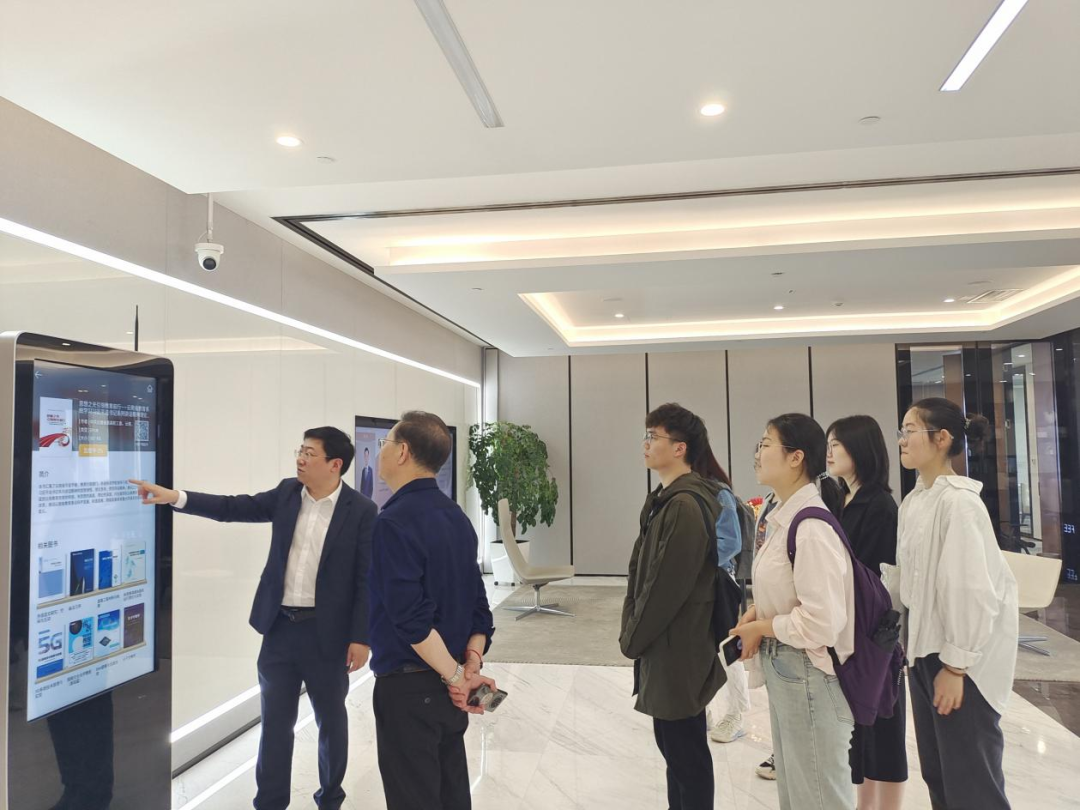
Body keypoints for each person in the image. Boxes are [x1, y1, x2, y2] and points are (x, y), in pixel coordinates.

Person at [130, 426, 375, 810]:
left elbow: (366, 578)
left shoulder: (361, 510)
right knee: (275, 724)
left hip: (327, 634)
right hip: (280, 629)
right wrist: (175, 497)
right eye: (300, 450)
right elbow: (233, 508)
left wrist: (361, 637)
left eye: (310, 453)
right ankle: (270, 802)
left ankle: (330, 798)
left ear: (335, 464)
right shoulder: (287, 493)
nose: (300, 459)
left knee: (331, 722)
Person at [891, 398, 1017, 809]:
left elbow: (970, 590)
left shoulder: (959, 502)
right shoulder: (915, 501)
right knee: (940, 775)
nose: (902, 440)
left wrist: (956, 665)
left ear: (942, 438)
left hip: (958, 661)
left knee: (971, 783)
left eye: (911, 430)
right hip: (924, 651)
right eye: (902, 431)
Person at [368, 411, 496, 810]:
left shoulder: (392, 523)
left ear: (403, 452)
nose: (381, 450)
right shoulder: (457, 517)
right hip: (449, 692)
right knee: (451, 794)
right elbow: (479, 608)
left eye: (386, 442)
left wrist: (458, 676)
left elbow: (410, 619)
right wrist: (469, 666)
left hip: (410, 689)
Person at [731, 413, 856, 810]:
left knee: (817, 796)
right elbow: (790, 589)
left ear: (796, 457)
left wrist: (762, 627)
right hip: (790, 670)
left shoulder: (811, 527)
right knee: (799, 793)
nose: (757, 453)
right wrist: (758, 611)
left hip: (808, 674)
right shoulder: (783, 515)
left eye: (766, 444)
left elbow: (822, 622)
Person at [620, 403, 725, 810]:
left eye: (654, 436)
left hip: (678, 648)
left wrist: (632, 637)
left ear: (680, 448)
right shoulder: (667, 499)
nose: (645, 444)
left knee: (685, 753)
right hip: (669, 646)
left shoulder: (684, 505)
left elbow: (664, 589)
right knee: (675, 749)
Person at [826, 415, 908, 810]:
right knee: (861, 731)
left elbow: (874, 576)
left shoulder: (879, 505)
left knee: (884, 728)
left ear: (859, 449)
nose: (829, 452)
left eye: (836, 444)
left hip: (874, 632)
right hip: (847, 628)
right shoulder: (840, 499)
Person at [690, 447, 749, 745]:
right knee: (698, 648)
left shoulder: (718, 491)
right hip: (693, 583)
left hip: (719, 581)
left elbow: (731, 542)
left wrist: (695, 561)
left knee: (727, 648)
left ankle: (738, 713)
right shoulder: (683, 490)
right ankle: (704, 710)